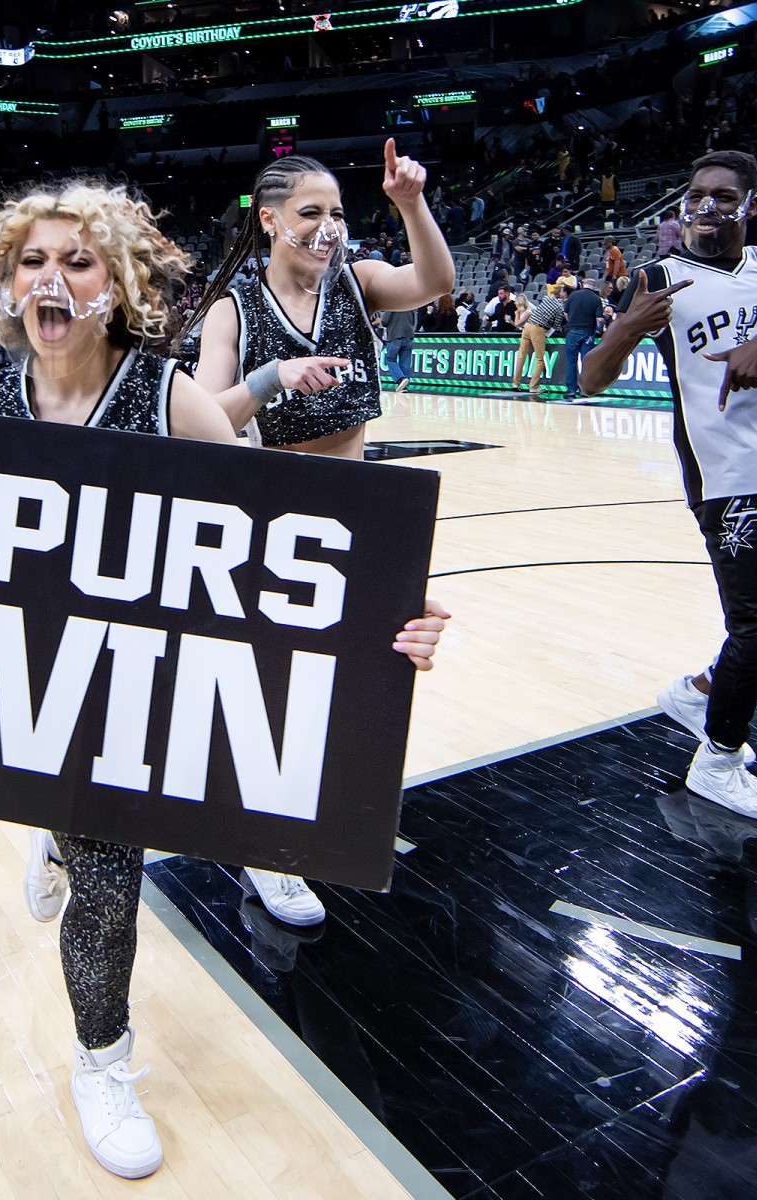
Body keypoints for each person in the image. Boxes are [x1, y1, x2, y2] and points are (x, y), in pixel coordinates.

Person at [0, 177, 447, 1182]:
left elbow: (275, 524)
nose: (52, 278)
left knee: (116, 863)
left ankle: (82, 962)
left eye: (78, 260)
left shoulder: (165, 393)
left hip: (140, 678)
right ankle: (98, 1042)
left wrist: (384, 616)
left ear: (116, 282)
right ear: (6, 282)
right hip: (39, 676)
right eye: (32, 260)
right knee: (104, 874)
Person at [181, 142, 456, 918]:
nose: (328, 226)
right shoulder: (234, 306)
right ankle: (265, 847)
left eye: (337, 212)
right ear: (269, 220)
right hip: (275, 524)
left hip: (358, 516)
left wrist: (410, 203)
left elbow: (435, 281)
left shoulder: (358, 285)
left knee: (347, 684)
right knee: (272, 689)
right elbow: (201, 419)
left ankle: (295, 814)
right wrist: (271, 378)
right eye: (310, 212)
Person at [579, 149, 757, 823]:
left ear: (749, 206)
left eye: (723, 196)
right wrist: (628, 329)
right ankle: (718, 763)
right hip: (728, 474)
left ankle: (700, 692)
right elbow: (590, 379)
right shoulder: (657, 277)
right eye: (697, 193)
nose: (707, 205)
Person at [513, 283, 567, 395]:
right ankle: (534, 386)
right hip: (538, 328)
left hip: (527, 326)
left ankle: (515, 383)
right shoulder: (560, 307)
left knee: (521, 356)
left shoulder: (546, 298)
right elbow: (556, 326)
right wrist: (546, 335)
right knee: (539, 359)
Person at [562, 277, 603, 396]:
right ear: (594, 287)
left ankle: (571, 390)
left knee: (571, 361)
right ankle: (584, 389)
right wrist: (599, 329)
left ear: (583, 284)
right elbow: (599, 319)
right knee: (586, 362)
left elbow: (565, 313)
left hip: (572, 332)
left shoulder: (573, 295)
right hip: (588, 333)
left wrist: (571, 322)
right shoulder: (596, 299)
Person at [378, 304, 417, 393]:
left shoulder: (393, 304)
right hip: (408, 336)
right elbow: (414, 322)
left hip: (395, 336)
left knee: (390, 359)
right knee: (405, 362)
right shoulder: (412, 305)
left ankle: (400, 379)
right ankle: (404, 386)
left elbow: (384, 321)